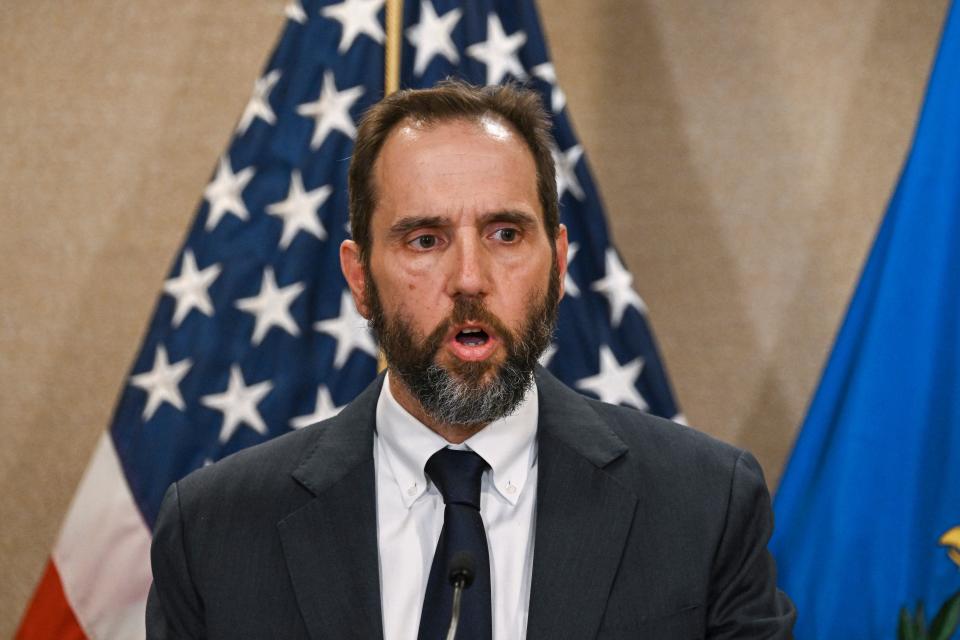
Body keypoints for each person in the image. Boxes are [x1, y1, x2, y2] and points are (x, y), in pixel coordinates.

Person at [146, 80, 795, 639]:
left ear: (560, 262)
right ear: (360, 279)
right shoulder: (213, 531)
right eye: (424, 239)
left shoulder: (705, 505)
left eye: (505, 234)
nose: (469, 278)